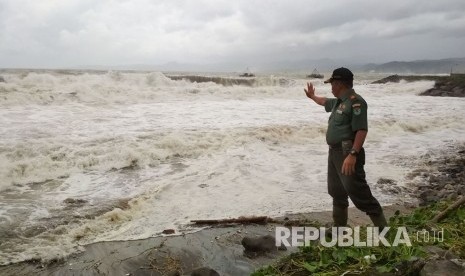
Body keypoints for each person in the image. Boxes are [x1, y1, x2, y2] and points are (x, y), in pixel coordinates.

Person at [304, 67, 387, 228]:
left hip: (347, 154)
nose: (331, 87)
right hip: (334, 153)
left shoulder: (356, 102)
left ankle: (388, 236)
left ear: (339, 83)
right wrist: (312, 96)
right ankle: (340, 229)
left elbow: (361, 130)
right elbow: (323, 101)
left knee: (360, 194)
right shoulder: (339, 102)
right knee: (337, 192)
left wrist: (353, 154)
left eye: (332, 84)